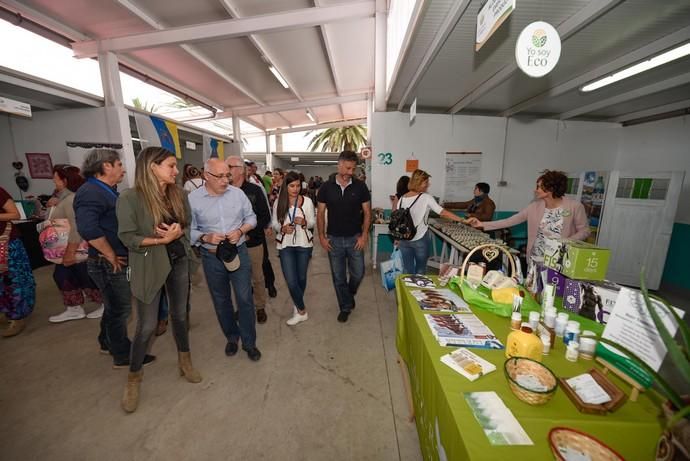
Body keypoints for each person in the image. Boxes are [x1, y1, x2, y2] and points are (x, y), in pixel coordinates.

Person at [116, 147, 201, 413]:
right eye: (171, 166)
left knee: (180, 316)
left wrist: (179, 231)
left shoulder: (179, 194)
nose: (176, 171)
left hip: (178, 262)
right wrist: (159, 239)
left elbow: (188, 225)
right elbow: (127, 236)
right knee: (146, 326)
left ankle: (184, 360)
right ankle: (134, 377)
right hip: (149, 265)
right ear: (152, 166)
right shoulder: (130, 198)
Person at [75, 149, 151, 368]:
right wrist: (110, 255)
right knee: (121, 309)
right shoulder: (91, 192)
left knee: (113, 306)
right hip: (107, 262)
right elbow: (88, 228)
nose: (123, 169)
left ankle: (106, 342)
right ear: (106, 166)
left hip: (110, 259)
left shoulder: (107, 190)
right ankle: (122, 354)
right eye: (119, 164)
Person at [189, 158, 261, 361]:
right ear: (206, 176)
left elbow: (252, 218)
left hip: (238, 253)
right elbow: (188, 230)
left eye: (227, 175)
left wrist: (240, 231)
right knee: (221, 301)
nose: (225, 180)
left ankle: (249, 342)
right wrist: (204, 237)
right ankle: (232, 337)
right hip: (211, 258)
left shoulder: (237, 195)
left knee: (245, 299)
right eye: (219, 176)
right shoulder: (193, 199)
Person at [467, 170, 589, 263]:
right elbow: (510, 221)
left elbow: (584, 231)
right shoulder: (534, 207)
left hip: (560, 260)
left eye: (539, 187)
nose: (535, 190)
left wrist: (566, 242)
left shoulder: (574, 206)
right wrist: (482, 224)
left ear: (550, 189)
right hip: (536, 258)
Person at [317, 150, 371, 323]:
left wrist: (364, 236)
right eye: (348, 168)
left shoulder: (360, 186)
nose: (350, 172)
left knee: (358, 273)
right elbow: (320, 214)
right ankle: (345, 306)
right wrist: (322, 237)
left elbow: (367, 212)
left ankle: (348, 294)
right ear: (339, 164)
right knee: (338, 277)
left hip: (355, 238)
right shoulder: (326, 187)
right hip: (334, 240)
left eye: (353, 169)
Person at [47, 164, 104, 323]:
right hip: (65, 246)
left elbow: (76, 226)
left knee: (86, 275)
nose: (53, 181)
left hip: (76, 245)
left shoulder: (72, 199)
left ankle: (105, 303)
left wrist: (71, 251)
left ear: (65, 180)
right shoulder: (62, 198)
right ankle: (74, 308)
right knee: (63, 275)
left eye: (56, 178)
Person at [226, 156, 272, 324]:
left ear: (240, 170)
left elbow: (265, 216)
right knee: (239, 279)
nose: (226, 170)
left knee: (257, 277)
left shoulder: (255, 190)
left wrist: (248, 233)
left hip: (253, 243)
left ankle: (260, 307)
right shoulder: (224, 190)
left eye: (229, 166)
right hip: (232, 245)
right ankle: (244, 307)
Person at [396, 169, 465, 275]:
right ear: (419, 182)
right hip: (420, 239)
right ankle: (418, 290)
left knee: (407, 270)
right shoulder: (426, 197)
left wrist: (397, 238)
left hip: (404, 239)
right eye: (426, 182)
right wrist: (461, 219)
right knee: (420, 269)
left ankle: (406, 290)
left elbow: (398, 220)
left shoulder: (401, 198)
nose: (428, 184)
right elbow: (442, 212)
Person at [272, 171, 315, 326]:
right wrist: (282, 229)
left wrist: (304, 222)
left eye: (298, 185)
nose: (295, 189)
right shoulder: (279, 202)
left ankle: (297, 306)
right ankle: (302, 310)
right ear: (286, 186)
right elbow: (275, 224)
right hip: (285, 245)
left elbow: (312, 223)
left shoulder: (308, 202)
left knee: (301, 279)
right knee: (291, 281)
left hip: (304, 244)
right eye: (292, 186)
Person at [0, 187, 35, 337]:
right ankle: (6, 311)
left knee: (12, 281)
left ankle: (17, 317)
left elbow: (15, 213)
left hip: (7, 243)